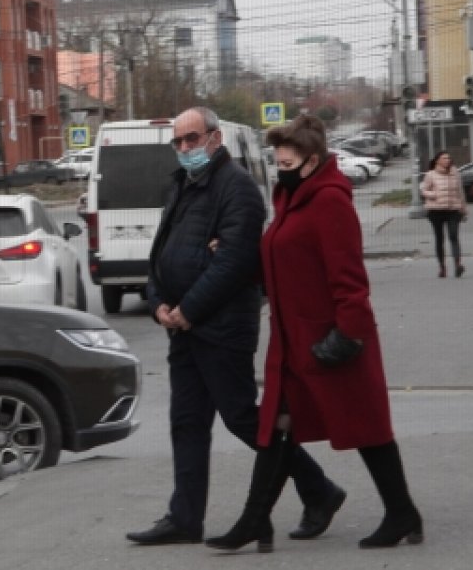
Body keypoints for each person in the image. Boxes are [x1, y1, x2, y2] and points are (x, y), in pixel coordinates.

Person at [126, 107, 343, 547]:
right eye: (178, 141)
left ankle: (319, 489)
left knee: (244, 417)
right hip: (182, 328)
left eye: (192, 139)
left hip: (222, 328)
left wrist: (188, 308)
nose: (185, 148)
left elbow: (235, 261)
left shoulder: (237, 188)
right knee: (186, 422)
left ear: (215, 137)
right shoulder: (181, 185)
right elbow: (160, 255)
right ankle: (184, 517)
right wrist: (157, 304)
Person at [207, 114, 423, 552]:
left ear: (312, 161)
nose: (280, 170)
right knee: (275, 426)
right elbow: (283, 268)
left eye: (287, 163)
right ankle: (255, 521)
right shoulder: (294, 199)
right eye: (277, 163)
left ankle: (401, 512)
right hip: (292, 344)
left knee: (368, 430)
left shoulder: (328, 202)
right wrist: (237, 255)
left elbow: (349, 280)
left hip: (332, 343)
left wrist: (348, 336)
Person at [420, 150, 467, 278]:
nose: (448, 160)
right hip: (436, 211)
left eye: (449, 158)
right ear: (437, 160)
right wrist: (433, 194)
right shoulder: (430, 174)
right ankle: (442, 267)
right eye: (445, 158)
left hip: (453, 210)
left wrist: (463, 209)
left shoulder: (455, 173)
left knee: (453, 236)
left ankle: (458, 265)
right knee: (439, 238)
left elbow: (460, 191)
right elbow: (423, 189)